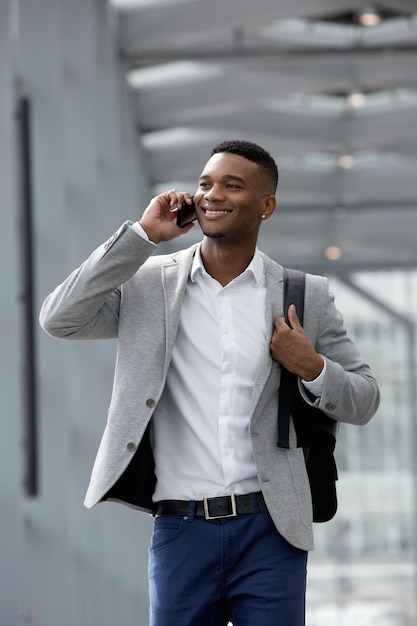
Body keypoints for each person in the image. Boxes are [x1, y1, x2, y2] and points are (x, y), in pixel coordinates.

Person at [39, 140, 380, 625]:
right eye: (204, 184)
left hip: (271, 529)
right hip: (180, 530)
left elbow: (365, 399)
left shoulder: (305, 296)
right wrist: (142, 236)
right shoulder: (147, 284)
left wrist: (312, 367)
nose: (211, 194)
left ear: (267, 206)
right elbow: (59, 319)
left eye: (231, 185)